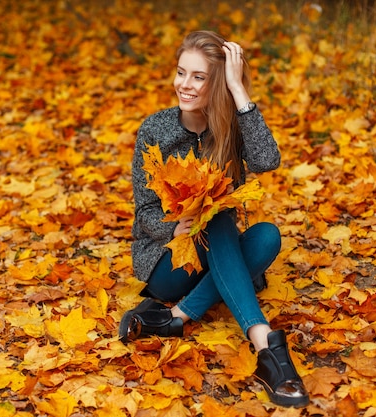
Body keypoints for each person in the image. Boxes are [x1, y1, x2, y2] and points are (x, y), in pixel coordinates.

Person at [119, 30, 309, 408]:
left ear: (217, 83)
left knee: (267, 236)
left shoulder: (230, 129)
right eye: (181, 72)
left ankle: (176, 317)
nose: (184, 85)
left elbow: (267, 161)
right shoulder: (155, 131)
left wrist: (240, 94)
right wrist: (175, 228)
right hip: (169, 262)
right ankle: (265, 345)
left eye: (198, 77)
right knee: (219, 218)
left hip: (214, 251)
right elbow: (143, 216)